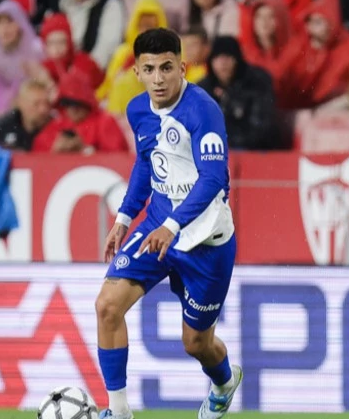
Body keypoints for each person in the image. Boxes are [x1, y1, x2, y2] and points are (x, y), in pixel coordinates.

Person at [96, 28, 241, 419]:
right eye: (149, 69)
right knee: (107, 306)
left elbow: (213, 179)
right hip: (157, 226)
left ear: (182, 68)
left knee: (196, 343)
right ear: (137, 72)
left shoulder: (203, 110)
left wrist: (172, 227)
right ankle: (118, 412)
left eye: (166, 68)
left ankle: (225, 383)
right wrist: (125, 218)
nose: (158, 78)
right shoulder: (137, 110)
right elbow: (146, 163)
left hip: (206, 242)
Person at [198, 36, 277, 150]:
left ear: (237, 60)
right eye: (218, 58)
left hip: (254, 151)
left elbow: (260, 129)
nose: (223, 63)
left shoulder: (257, 83)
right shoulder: (203, 90)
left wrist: (231, 104)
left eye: (228, 57)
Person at [279, 0, 349, 109]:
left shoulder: (348, 45)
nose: (322, 27)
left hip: (333, 106)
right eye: (315, 22)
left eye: (324, 22)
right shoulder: (297, 46)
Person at [98, 0, 169, 114]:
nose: (146, 31)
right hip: (119, 108)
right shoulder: (122, 52)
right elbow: (109, 84)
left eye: (151, 27)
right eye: (142, 26)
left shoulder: (170, 51)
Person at [32, 70, 128, 154]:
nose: (72, 109)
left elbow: (118, 158)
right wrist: (55, 152)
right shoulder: (57, 126)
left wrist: (86, 150)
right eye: (67, 103)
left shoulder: (104, 122)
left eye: (77, 103)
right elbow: (36, 159)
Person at [58, 0, 124, 70]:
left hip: (96, 71)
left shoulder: (109, 5)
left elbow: (107, 47)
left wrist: (83, 70)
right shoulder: (61, 6)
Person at [0, 78, 54, 151]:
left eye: (47, 103)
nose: (43, 110)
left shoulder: (55, 130)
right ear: (21, 103)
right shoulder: (1, 127)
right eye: (36, 104)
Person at [40, 12, 103, 88]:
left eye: (61, 42)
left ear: (69, 42)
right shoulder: (44, 71)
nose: (56, 48)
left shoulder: (83, 63)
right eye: (51, 43)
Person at [239, 0, 293, 84]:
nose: (264, 21)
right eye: (259, 16)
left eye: (271, 16)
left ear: (281, 19)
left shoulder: (293, 55)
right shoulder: (244, 54)